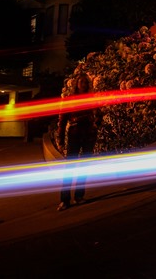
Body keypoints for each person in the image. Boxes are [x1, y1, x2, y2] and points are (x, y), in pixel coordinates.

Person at [56, 73, 97, 211]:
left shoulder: (91, 99)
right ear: (76, 84)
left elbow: (99, 114)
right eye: (81, 83)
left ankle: (79, 196)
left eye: (86, 83)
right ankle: (64, 200)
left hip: (88, 135)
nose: (84, 85)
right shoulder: (70, 100)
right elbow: (62, 121)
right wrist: (60, 139)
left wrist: (96, 124)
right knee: (70, 168)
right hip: (74, 134)